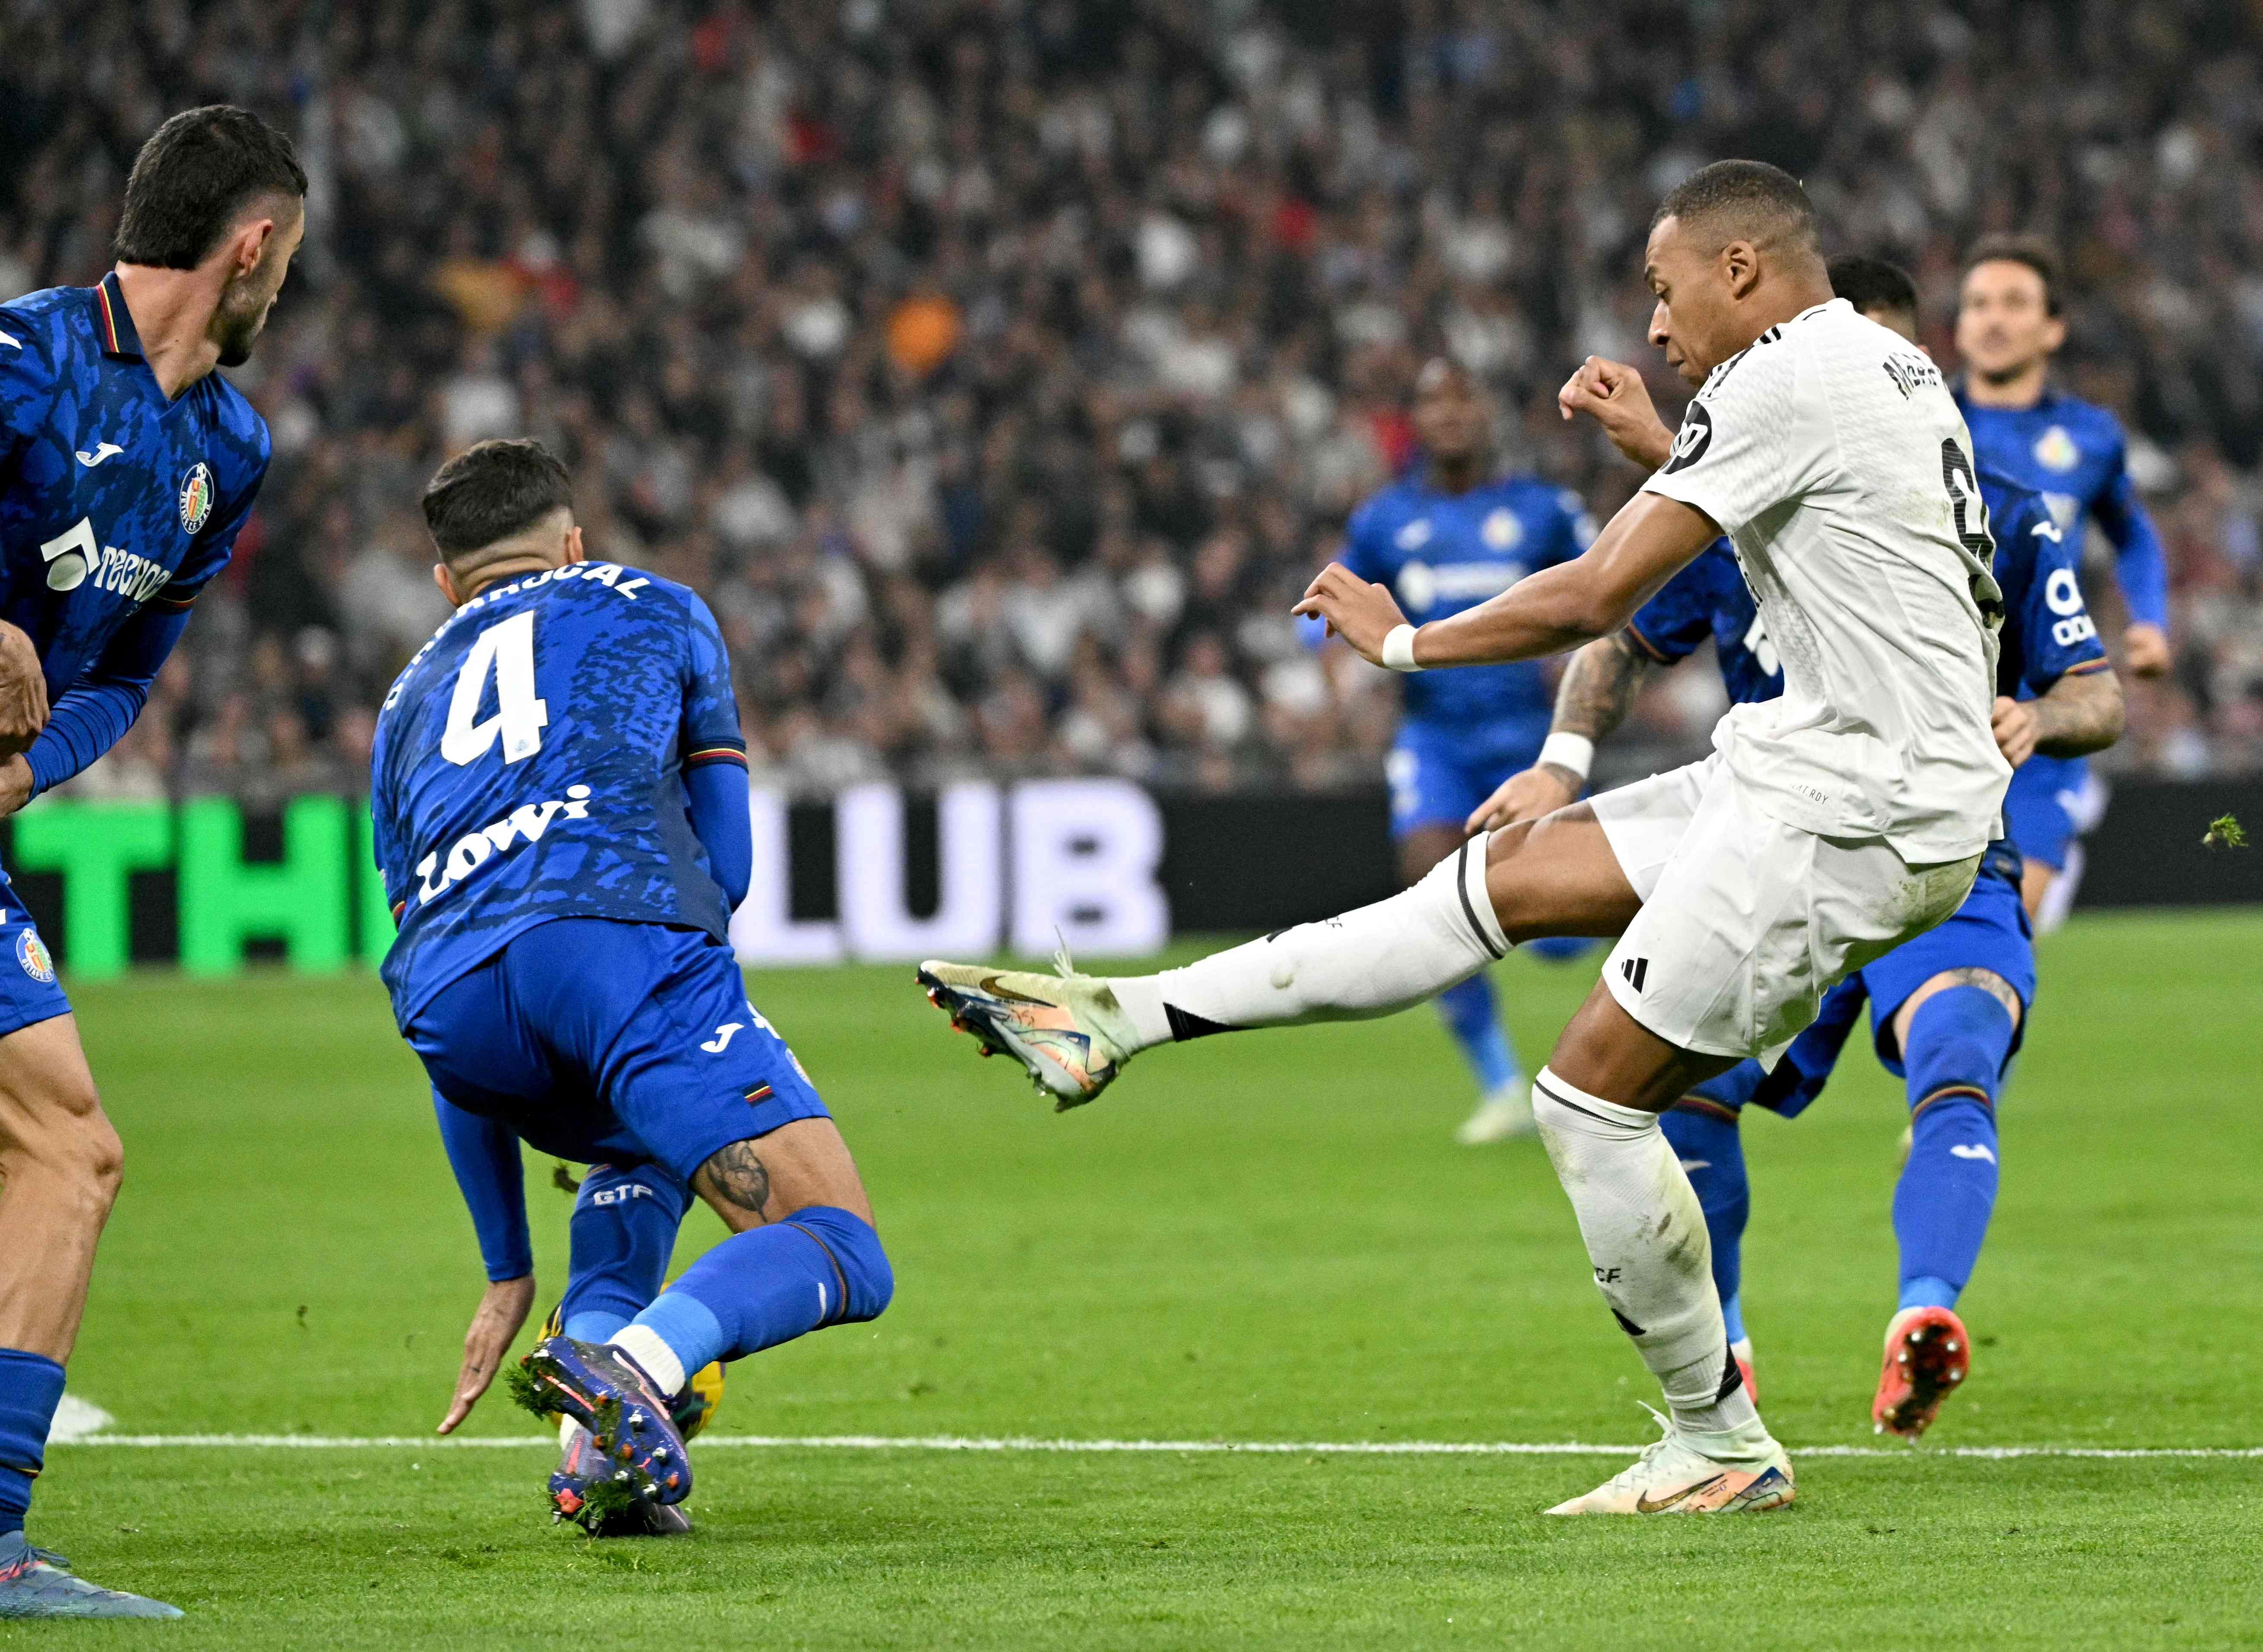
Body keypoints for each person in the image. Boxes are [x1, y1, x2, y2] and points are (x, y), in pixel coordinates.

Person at [918, 161, 2009, 1514]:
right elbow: (1812, 524)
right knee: (1487, 883)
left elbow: (1603, 591)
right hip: (1816, 763)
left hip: (1859, 810)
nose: (1657, 332)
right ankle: (1122, 1020)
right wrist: (1664, 453)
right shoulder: (1881, 370)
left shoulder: (1784, 375)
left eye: (1666, 294)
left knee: (1587, 1099)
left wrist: (1404, 641)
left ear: (1742, 271)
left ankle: (1719, 1444)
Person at [1466, 255, 2122, 1436]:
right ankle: (1729, 1361)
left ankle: (1923, 1312)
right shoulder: (1733, 510)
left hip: (1937, 843)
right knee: (1685, 1091)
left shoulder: (2006, 511)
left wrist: (2041, 711)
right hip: (1779, 847)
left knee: (1957, 1045)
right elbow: (1616, 636)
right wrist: (1559, 763)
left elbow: (2096, 690)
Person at [369, 440, 892, 1532]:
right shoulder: (657, 605)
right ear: (572, 543)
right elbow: (728, 869)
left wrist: (507, 1262)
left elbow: (449, 964)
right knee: (842, 1245)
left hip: (454, 1015)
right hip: (612, 946)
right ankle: (634, 1365)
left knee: (635, 1144)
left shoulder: (402, 703)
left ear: (444, 582)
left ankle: (595, 1465)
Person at [0, 106, 304, 1619]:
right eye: (287, 263)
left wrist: (26, 764)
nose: (283, 293)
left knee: (70, 1148)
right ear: (250, 248)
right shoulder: (22, 359)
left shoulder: (229, 454)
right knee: (62, 1148)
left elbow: (125, 675)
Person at [1340, 357, 1597, 1144]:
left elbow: (1607, 588)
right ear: (1413, 420)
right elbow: (1339, 599)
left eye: (1462, 400)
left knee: (1559, 937)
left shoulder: (1543, 510)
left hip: (1528, 734)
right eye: (1431, 400)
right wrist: (1340, 673)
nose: (1448, 414)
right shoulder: (1385, 520)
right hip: (1435, 736)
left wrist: (1587, 657)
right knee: (1424, 881)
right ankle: (1500, 1085)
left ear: (1486, 413)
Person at [1954, 236, 2169, 926]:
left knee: (2009, 926)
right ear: (1957, 326)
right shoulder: (1924, 424)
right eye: (1978, 304)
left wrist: (2150, 620)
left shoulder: (2092, 437)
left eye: (2015, 303)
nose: (1993, 319)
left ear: (2053, 328)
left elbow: (2133, 533)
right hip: (1939, 702)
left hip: (2049, 710)